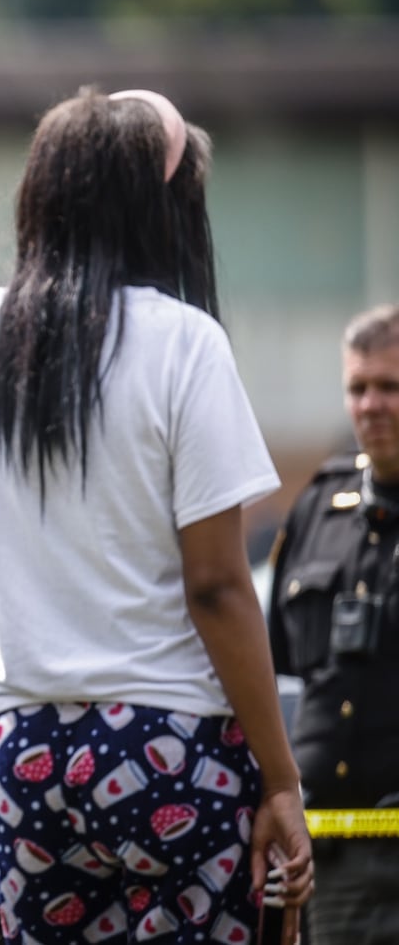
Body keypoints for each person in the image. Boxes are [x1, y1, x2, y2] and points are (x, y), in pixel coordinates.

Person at [0, 87, 314, 941]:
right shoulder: (185, 342)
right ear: (154, 207)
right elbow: (220, 587)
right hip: (171, 745)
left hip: (26, 747)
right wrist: (282, 777)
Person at [269, 303, 399, 944]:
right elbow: (280, 667)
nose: (371, 404)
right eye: (358, 387)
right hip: (328, 853)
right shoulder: (321, 503)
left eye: (390, 386)